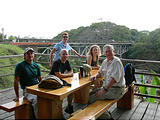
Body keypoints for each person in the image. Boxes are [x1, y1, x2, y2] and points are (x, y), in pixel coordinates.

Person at [13, 47, 42, 119]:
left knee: (49, 97)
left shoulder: (36, 66)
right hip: (28, 90)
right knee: (37, 100)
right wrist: (17, 96)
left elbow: (40, 79)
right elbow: (16, 81)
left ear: (34, 55)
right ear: (24, 56)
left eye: (31, 53)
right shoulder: (20, 66)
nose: (30, 55)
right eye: (28, 54)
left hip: (37, 87)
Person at [50, 49, 74, 114]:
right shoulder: (56, 63)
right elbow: (58, 75)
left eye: (66, 54)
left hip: (60, 80)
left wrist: (66, 74)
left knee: (71, 89)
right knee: (61, 93)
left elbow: (71, 71)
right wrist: (69, 75)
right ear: (60, 55)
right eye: (63, 54)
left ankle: (69, 106)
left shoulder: (67, 62)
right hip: (53, 81)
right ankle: (58, 112)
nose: (65, 56)